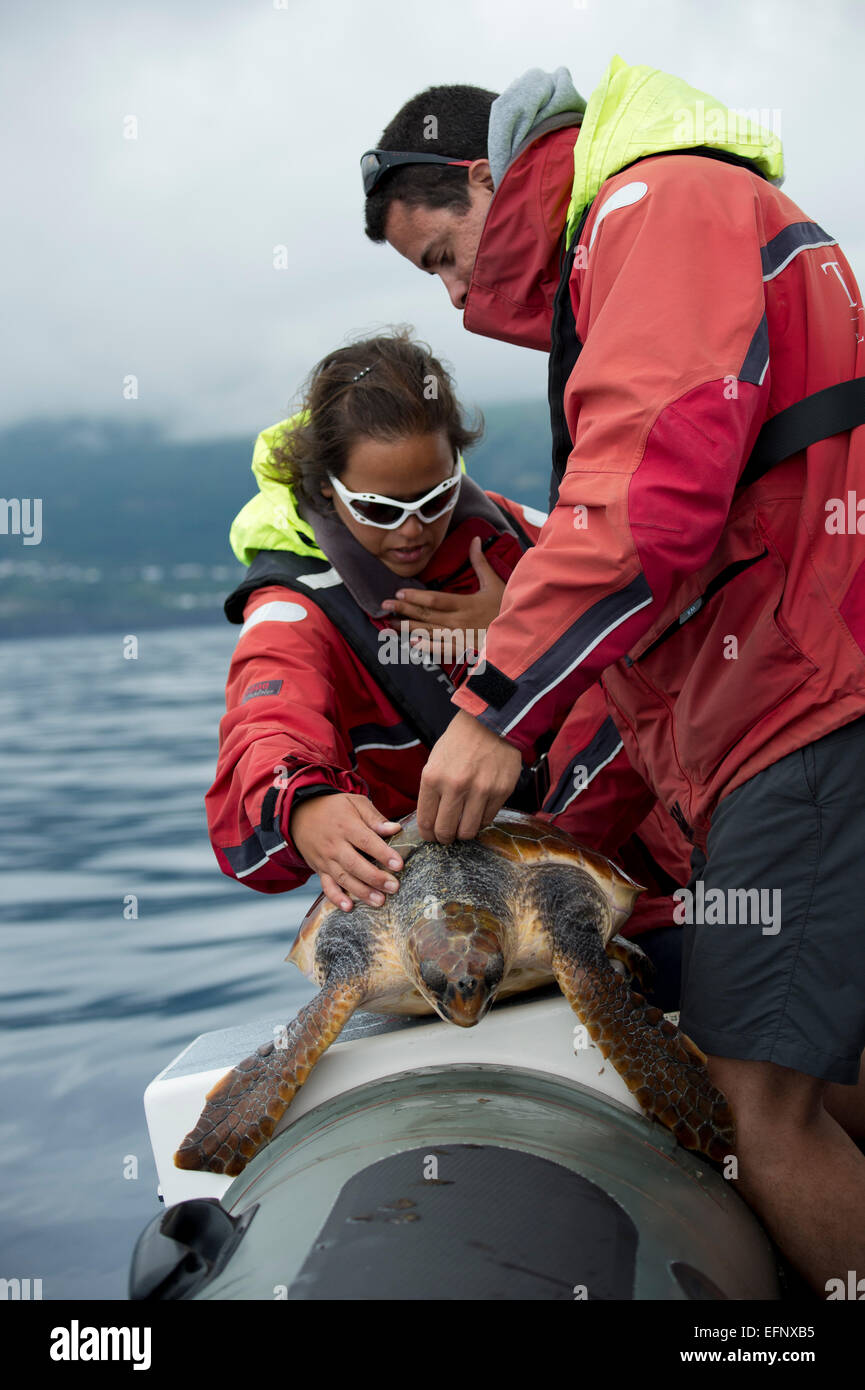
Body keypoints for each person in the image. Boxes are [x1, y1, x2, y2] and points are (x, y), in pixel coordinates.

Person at [360, 58, 865, 1291]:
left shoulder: (656, 207)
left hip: (801, 712)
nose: (455, 290)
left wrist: (492, 709)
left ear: (488, 178)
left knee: (757, 1107)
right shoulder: (664, 224)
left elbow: (647, 495)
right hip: (803, 699)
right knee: (834, 1066)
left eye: (441, 251)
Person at [204, 328, 689, 1005]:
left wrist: (521, 632)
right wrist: (302, 804)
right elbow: (264, 727)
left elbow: (678, 642)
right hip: (448, 935)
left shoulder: (535, 544)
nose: (411, 530)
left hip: (646, 891)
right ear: (323, 487)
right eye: (379, 509)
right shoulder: (294, 612)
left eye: (434, 499)